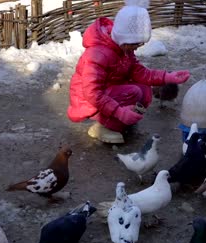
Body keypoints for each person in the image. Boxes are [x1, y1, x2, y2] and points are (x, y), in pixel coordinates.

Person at [67, 0, 190, 143]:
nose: (137, 48)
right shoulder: (97, 55)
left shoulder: (124, 50)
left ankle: (121, 120)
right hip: (87, 100)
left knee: (144, 90)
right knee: (133, 92)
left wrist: (168, 77)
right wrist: (119, 112)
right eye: (136, 44)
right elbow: (93, 93)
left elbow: (140, 72)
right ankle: (104, 126)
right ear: (125, 38)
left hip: (107, 91)